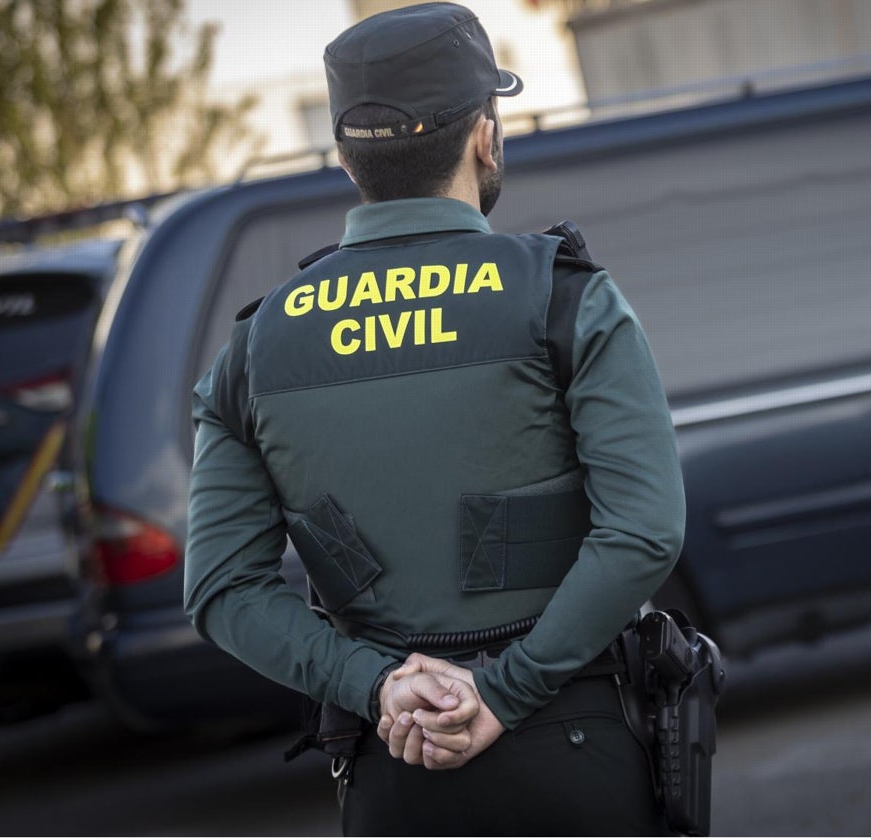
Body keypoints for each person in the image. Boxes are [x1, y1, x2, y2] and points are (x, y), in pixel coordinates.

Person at [184, 2, 685, 835]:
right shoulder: (565, 297)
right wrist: (504, 687)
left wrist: (376, 685)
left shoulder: (256, 347)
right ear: (485, 135)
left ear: (347, 162)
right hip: (576, 745)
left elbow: (222, 588)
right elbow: (643, 531)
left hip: (397, 766)